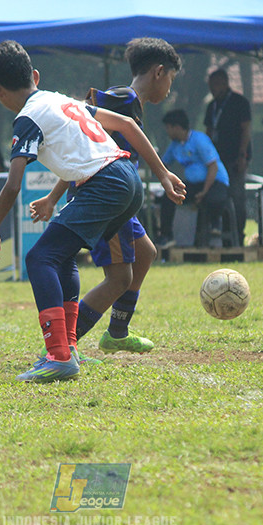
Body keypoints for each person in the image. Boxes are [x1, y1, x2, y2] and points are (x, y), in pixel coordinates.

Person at [0, 40, 185, 383]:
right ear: (35, 76)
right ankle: (69, 347)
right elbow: (127, 126)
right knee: (62, 258)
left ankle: (59, 356)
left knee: (39, 258)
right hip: (127, 179)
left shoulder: (27, 118)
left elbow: (13, 185)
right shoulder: (60, 100)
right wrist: (162, 174)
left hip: (103, 184)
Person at [29, 37, 182, 356]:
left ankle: (117, 332)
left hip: (116, 197)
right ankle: (66, 345)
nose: (169, 88)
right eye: (171, 78)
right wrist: (163, 174)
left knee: (145, 253)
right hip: (105, 197)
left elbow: (88, 152)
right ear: (158, 72)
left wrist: (53, 198)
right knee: (119, 278)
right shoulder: (122, 98)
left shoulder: (129, 102)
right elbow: (85, 147)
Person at [156, 109, 230, 247]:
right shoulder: (175, 145)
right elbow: (163, 163)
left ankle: (215, 225)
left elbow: (213, 167)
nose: (167, 132)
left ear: (177, 127)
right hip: (194, 184)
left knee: (213, 198)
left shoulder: (199, 140)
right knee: (170, 196)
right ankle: (166, 235)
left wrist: (204, 191)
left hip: (214, 182)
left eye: (168, 128)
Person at [203, 69, 251, 247]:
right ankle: (222, 238)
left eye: (215, 85)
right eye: (210, 86)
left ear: (224, 83)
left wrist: (242, 155)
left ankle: (239, 236)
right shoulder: (212, 106)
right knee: (218, 197)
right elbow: (209, 131)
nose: (213, 89)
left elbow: (246, 129)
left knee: (236, 197)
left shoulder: (239, 102)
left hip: (235, 159)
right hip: (217, 161)